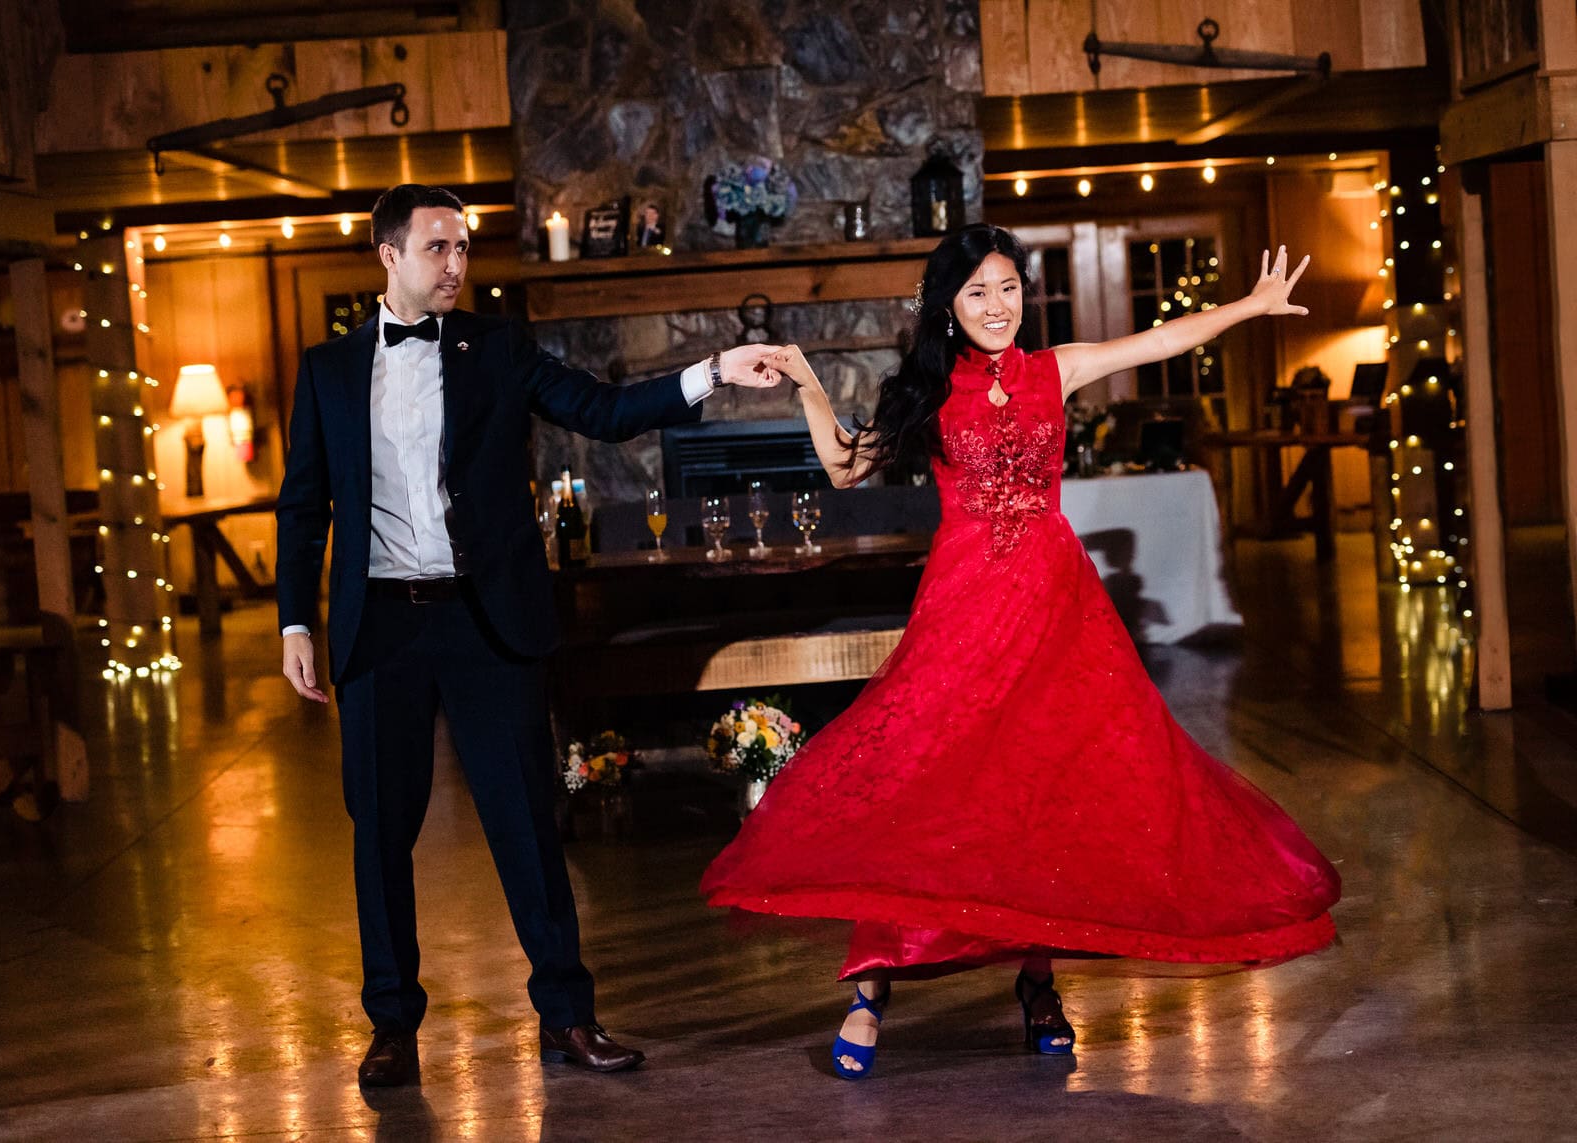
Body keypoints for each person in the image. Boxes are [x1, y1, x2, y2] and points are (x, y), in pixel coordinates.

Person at [700, 223, 1341, 1080]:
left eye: (1007, 288)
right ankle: (872, 984)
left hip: (1055, 611)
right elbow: (846, 466)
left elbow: (1158, 340)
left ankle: (1039, 982)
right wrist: (812, 385)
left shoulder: (1054, 370)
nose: (997, 306)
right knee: (925, 788)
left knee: (1043, 793)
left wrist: (1250, 307)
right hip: (963, 610)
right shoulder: (928, 392)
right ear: (949, 306)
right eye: (977, 292)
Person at [276, 183, 778, 1086]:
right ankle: (392, 1024)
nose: (456, 264)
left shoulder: (497, 347)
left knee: (526, 828)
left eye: (463, 247)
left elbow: (604, 410)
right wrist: (294, 620)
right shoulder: (328, 370)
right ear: (389, 255)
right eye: (437, 247)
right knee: (380, 836)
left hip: (487, 622)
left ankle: (568, 1017)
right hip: (380, 628)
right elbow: (303, 505)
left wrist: (712, 371)